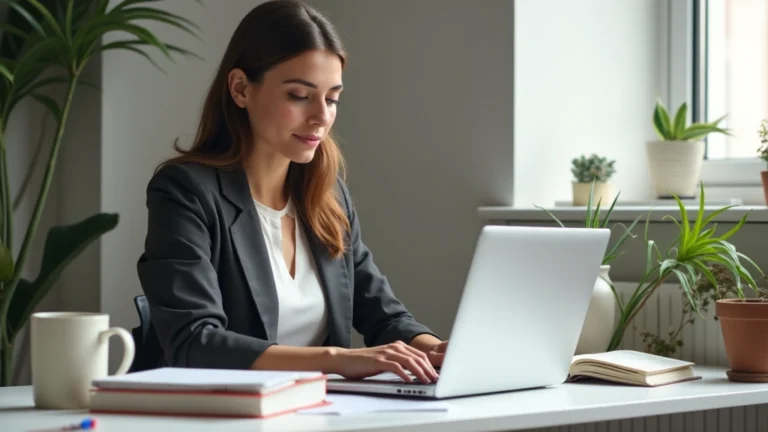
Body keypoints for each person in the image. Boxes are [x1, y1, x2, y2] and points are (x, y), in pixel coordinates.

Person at [137, 0, 446, 384]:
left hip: (322, 412)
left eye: (332, 98)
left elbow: (383, 316)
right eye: (300, 95)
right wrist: (336, 359)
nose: (321, 116)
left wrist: (433, 348)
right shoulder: (185, 192)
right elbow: (194, 341)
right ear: (240, 89)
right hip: (229, 414)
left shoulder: (328, 194)